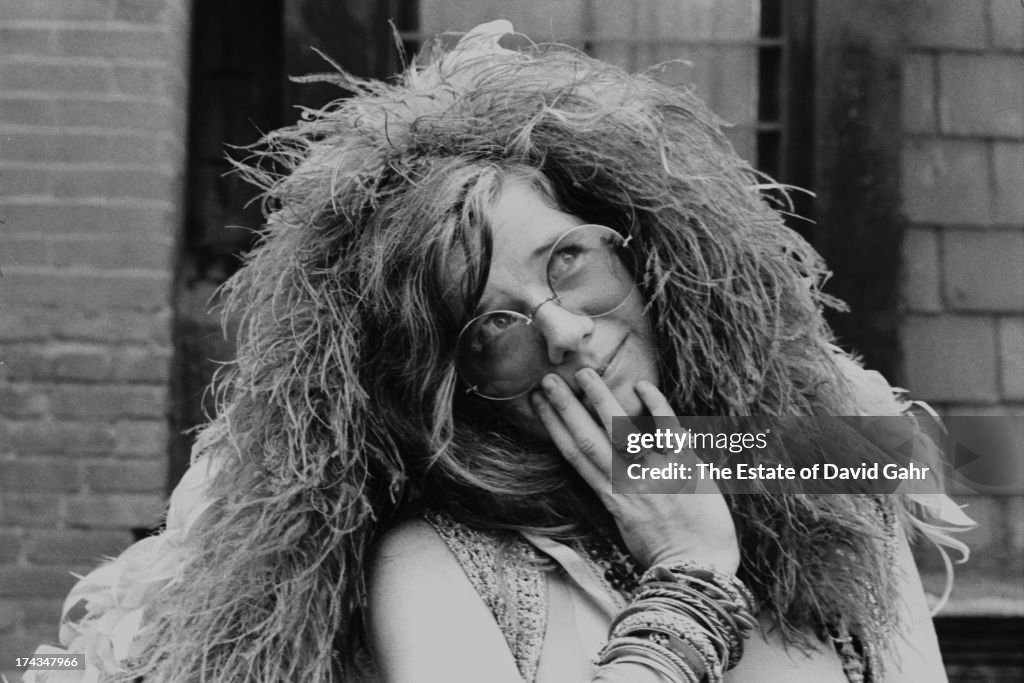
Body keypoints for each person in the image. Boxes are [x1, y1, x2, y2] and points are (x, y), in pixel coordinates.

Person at [29, 21, 973, 683]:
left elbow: (889, 480)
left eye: (570, 260)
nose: (564, 333)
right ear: (453, 386)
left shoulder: (817, 466)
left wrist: (697, 455)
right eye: (493, 326)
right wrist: (687, 579)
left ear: (649, 256)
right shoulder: (431, 564)